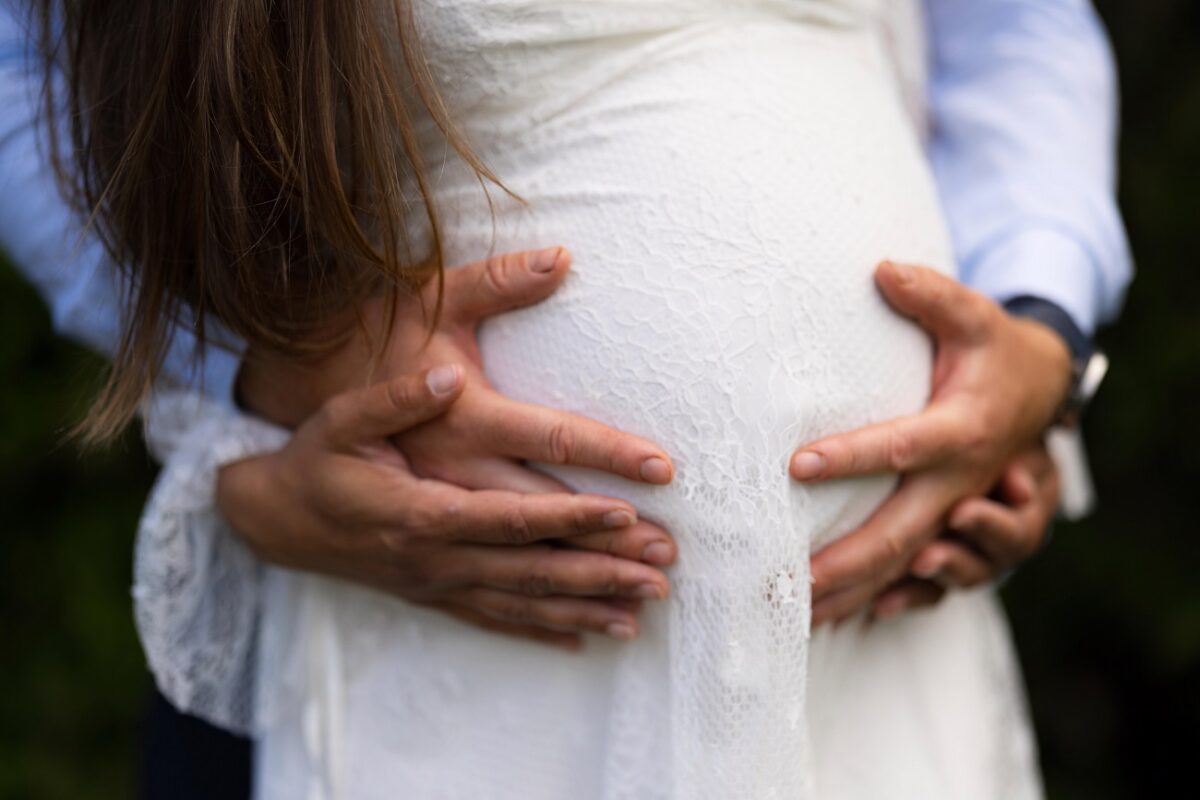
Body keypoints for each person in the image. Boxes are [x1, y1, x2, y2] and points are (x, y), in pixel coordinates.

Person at [0, 1, 1130, 798]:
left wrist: (1036, 335)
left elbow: (1019, 29)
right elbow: (27, 75)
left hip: (871, 666)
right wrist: (262, 356)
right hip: (411, 636)